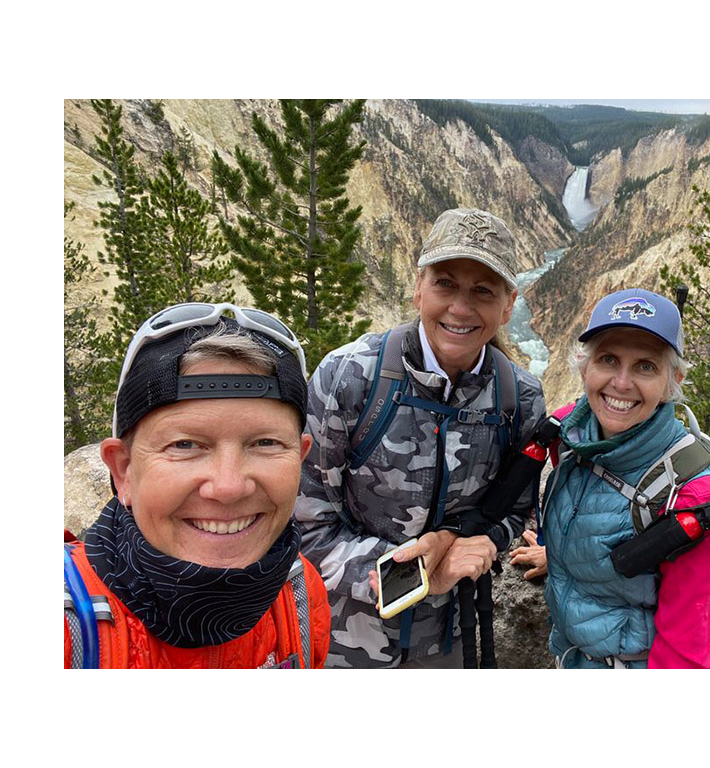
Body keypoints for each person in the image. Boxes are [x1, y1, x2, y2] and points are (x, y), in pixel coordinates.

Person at [294, 207, 546, 668]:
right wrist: (419, 571)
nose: (461, 307)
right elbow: (303, 524)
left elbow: (516, 509)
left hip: (454, 640)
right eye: (445, 283)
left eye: (483, 291)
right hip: (345, 644)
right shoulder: (351, 378)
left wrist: (480, 542)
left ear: (508, 305)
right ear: (418, 287)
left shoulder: (519, 399)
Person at [64, 303, 330, 669]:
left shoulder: (299, 590)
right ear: (123, 471)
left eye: (265, 443)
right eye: (185, 445)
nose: (228, 486)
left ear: (299, 459)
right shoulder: (66, 626)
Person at [540, 288, 710, 668]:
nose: (621, 382)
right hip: (566, 653)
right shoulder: (572, 432)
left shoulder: (695, 499)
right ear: (584, 368)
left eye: (645, 366)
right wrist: (558, 551)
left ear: (672, 380)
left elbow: (685, 654)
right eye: (608, 359)